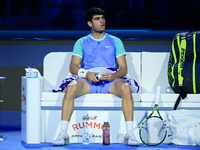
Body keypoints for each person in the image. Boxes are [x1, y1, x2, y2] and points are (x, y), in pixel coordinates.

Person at [52, 7, 139, 146]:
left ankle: (129, 134)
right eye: (97, 19)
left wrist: (113, 75)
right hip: (88, 80)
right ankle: (63, 133)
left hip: (110, 81)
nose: (102, 21)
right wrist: (86, 73)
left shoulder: (115, 41)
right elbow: (73, 66)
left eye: (103, 18)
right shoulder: (81, 42)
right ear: (90, 24)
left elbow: (124, 68)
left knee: (126, 88)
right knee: (71, 88)